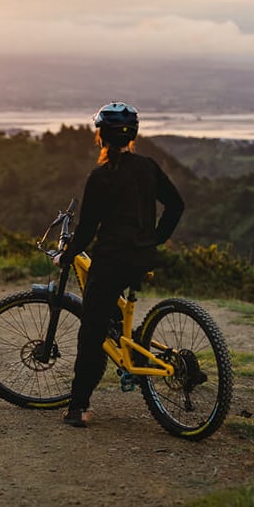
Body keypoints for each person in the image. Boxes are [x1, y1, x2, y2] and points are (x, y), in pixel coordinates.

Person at [57, 102, 184, 427]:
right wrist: (154, 240)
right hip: (142, 257)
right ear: (132, 137)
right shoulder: (148, 167)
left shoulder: (100, 177)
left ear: (101, 136)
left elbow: (87, 230)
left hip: (112, 260)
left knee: (91, 333)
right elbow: (176, 205)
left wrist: (67, 255)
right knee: (108, 314)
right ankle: (124, 341)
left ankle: (78, 407)